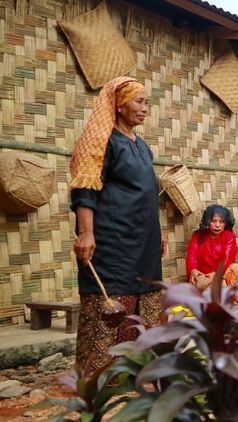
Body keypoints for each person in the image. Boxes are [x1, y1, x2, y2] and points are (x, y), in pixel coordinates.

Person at [70, 77, 163, 372]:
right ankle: (100, 374)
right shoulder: (100, 141)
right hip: (113, 239)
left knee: (145, 296)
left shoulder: (142, 146)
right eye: (139, 101)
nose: (145, 108)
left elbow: (147, 193)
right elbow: (85, 190)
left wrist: (155, 233)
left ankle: (137, 369)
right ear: (119, 105)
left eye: (147, 102)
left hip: (143, 240)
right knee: (112, 297)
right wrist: (86, 232)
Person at [186, 204, 238, 303]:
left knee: (236, 268)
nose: (217, 225)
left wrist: (217, 274)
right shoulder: (198, 235)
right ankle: (224, 299)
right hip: (203, 277)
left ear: (226, 223)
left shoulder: (229, 237)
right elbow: (192, 256)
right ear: (208, 221)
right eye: (213, 221)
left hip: (221, 274)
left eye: (221, 222)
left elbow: (228, 258)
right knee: (202, 284)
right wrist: (193, 270)